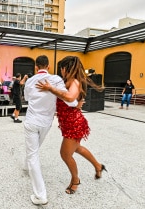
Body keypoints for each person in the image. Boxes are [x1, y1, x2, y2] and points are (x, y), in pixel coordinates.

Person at [36, 56, 106, 195]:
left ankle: (75, 180)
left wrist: (50, 88)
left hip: (74, 124)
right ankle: (98, 166)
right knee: (77, 148)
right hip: (68, 123)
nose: (61, 71)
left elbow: (69, 97)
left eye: (61, 68)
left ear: (65, 68)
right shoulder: (65, 81)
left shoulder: (74, 81)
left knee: (65, 154)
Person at [24, 55, 78, 205]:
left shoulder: (30, 80)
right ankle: (27, 164)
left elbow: (27, 98)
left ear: (36, 67)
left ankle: (40, 195)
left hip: (31, 120)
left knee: (33, 154)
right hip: (46, 123)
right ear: (48, 66)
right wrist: (75, 103)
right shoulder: (56, 79)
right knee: (33, 151)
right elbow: (69, 100)